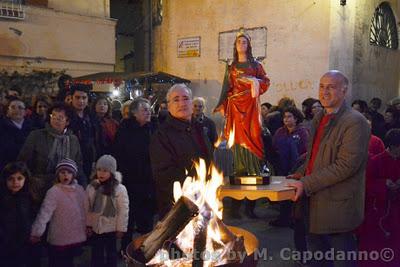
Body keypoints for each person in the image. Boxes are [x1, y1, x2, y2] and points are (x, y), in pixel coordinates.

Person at [288, 70, 370, 267]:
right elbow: (315, 154)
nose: (325, 92)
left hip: (337, 206)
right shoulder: (319, 118)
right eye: (322, 87)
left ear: (344, 90)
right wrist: (301, 172)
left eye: (331, 87)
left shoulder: (355, 122)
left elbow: (346, 166)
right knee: (318, 259)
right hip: (315, 203)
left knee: (342, 260)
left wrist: (305, 182)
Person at [150, 84, 212, 218]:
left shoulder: (199, 128)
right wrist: (193, 190)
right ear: (169, 105)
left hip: (204, 199)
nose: (181, 103)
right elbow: (164, 174)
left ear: (191, 102)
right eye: (176, 100)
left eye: (185, 98)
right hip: (178, 206)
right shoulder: (162, 135)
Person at [214, 29, 270, 177]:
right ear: (235, 45)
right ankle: (241, 168)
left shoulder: (256, 65)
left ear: (249, 45)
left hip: (251, 105)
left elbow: (266, 82)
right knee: (237, 137)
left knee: (254, 134)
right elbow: (227, 87)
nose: (241, 44)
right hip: (236, 107)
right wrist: (223, 105)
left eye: (244, 41)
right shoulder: (232, 67)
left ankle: (255, 168)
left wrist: (254, 82)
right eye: (239, 41)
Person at [113, 98, 157, 250]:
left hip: (148, 181)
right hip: (130, 180)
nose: (148, 112)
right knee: (128, 217)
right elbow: (119, 153)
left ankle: (148, 250)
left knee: (147, 219)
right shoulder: (125, 129)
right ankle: (126, 249)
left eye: (149, 109)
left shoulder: (152, 128)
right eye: (144, 109)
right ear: (134, 112)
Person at [18, 103, 85, 202]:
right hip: (40, 187)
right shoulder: (37, 136)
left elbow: (78, 164)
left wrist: (83, 186)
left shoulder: (73, 140)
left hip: (66, 188)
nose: (55, 120)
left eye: (60, 117)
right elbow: (23, 161)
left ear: (67, 121)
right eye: (53, 116)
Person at [30, 159, 87, 267]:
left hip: (74, 236)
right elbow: (44, 214)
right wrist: (37, 232)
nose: (66, 175)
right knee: (56, 262)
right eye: (62, 172)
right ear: (58, 174)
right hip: (59, 237)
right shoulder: (54, 191)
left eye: (69, 172)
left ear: (74, 175)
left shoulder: (79, 190)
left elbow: (85, 210)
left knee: (69, 261)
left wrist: (88, 226)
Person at [358, 129, 400, 267]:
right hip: (377, 211)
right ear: (393, 146)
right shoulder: (376, 161)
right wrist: (383, 184)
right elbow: (366, 185)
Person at [86, 155, 129, 267]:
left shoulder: (119, 189)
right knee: (96, 254)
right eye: (99, 170)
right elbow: (88, 208)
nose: (101, 173)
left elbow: (123, 211)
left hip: (111, 227)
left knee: (111, 254)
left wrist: (121, 228)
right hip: (96, 227)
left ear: (112, 172)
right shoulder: (92, 187)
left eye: (105, 171)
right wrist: (88, 225)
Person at [0, 162, 36, 267]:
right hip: (6, 244)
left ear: (25, 179)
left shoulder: (29, 197)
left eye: (19, 178)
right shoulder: (2, 198)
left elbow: (33, 217)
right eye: (11, 179)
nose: (15, 182)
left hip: (25, 243)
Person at [69, 84, 105, 182]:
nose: (81, 101)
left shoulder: (92, 117)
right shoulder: (66, 117)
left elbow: (98, 140)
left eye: (84, 98)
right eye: (77, 97)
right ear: (71, 98)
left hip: (90, 161)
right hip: (71, 162)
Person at [0, 97, 34, 171]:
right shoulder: (2, 128)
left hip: (28, 169)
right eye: (13, 107)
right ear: (7, 112)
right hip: (6, 167)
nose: (17, 110)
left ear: (25, 112)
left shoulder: (33, 129)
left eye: (20, 107)